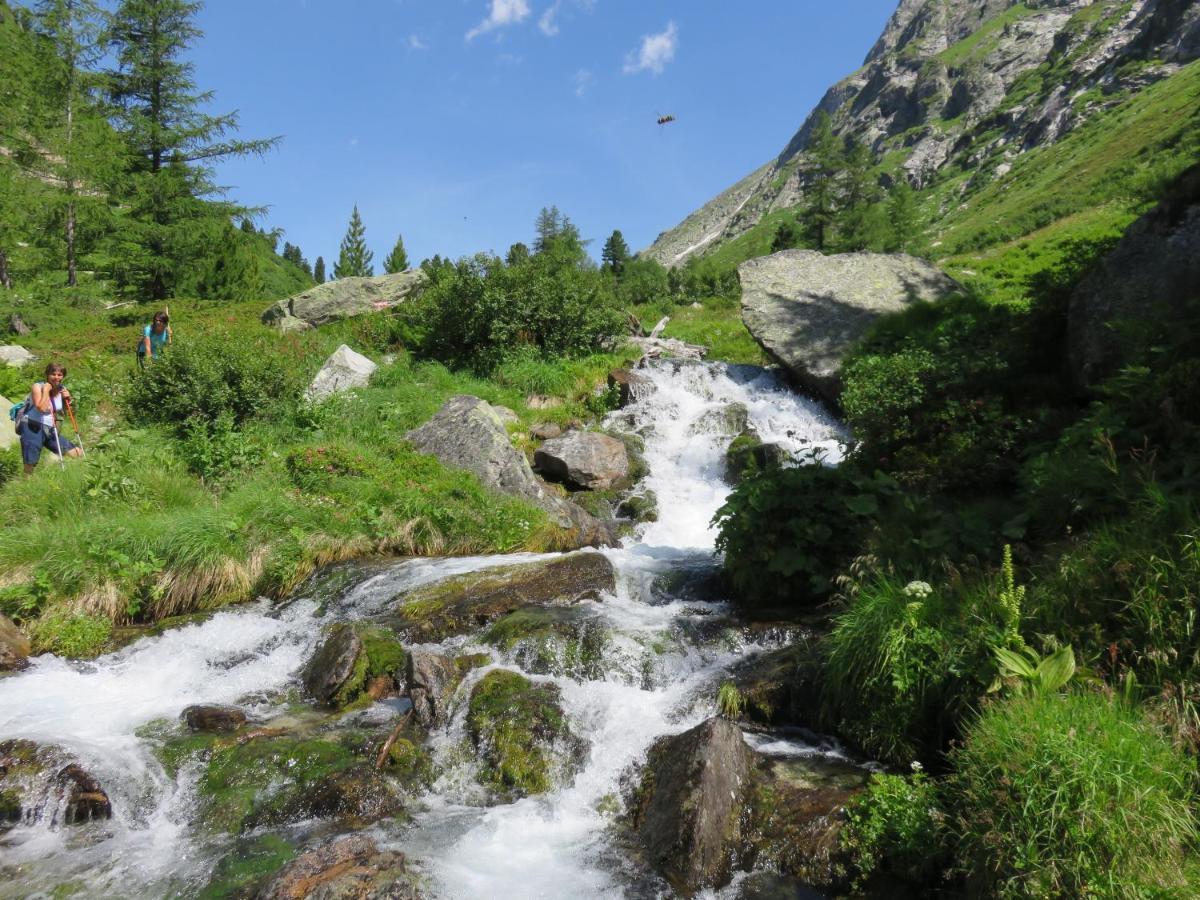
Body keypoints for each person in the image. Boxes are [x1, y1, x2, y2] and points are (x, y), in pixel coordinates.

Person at [18, 362, 82, 475]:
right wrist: (47, 390)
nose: (56, 377)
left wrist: (69, 399)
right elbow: (42, 408)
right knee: (30, 463)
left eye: (60, 374)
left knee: (76, 453)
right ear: (47, 374)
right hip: (32, 425)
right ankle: (27, 486)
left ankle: (75, 473)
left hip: (49, 428)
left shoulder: (62, 389)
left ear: (63, 376)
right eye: (53, 374)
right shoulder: (38, 387)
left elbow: (67, 412)